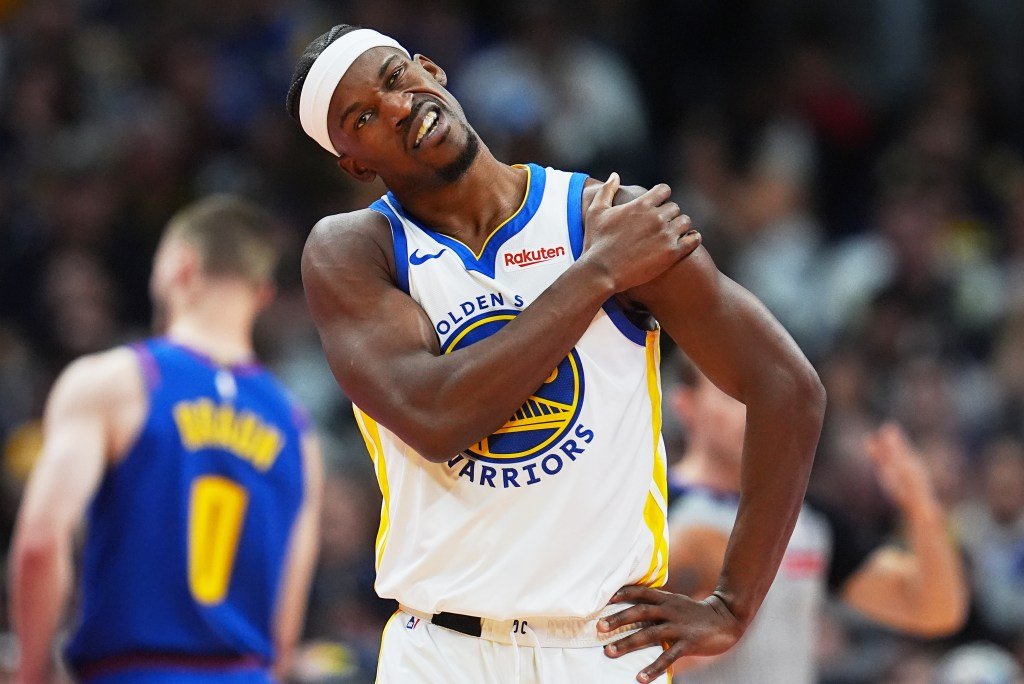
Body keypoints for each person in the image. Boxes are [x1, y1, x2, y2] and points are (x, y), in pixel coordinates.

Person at [288, 24, 825, 683]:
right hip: (443, 649)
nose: (398, 107)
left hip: (602, 647)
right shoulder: (354, 250)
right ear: (354, 163)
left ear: (431, 70)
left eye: (397, 77)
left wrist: (734, 605)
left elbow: (787, 388)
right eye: (363, 118)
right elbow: (436, 417)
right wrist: (596, 274)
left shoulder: (606, 214)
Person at [9, 196, 323, 684]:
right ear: (262, 294)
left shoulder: (114, 382)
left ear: (180, 266)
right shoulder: (297, 429)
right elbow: (285, 628)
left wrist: (32, 671)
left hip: (130, 670)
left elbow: (41, 542)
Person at [665, 358, 968, 683]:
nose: (753, 409)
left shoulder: (808, 516)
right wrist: (685, 650)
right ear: (686, 404)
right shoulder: (654, 510)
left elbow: (935, 611)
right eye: (733, 395)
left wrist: (922, 509)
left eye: (763, 393)